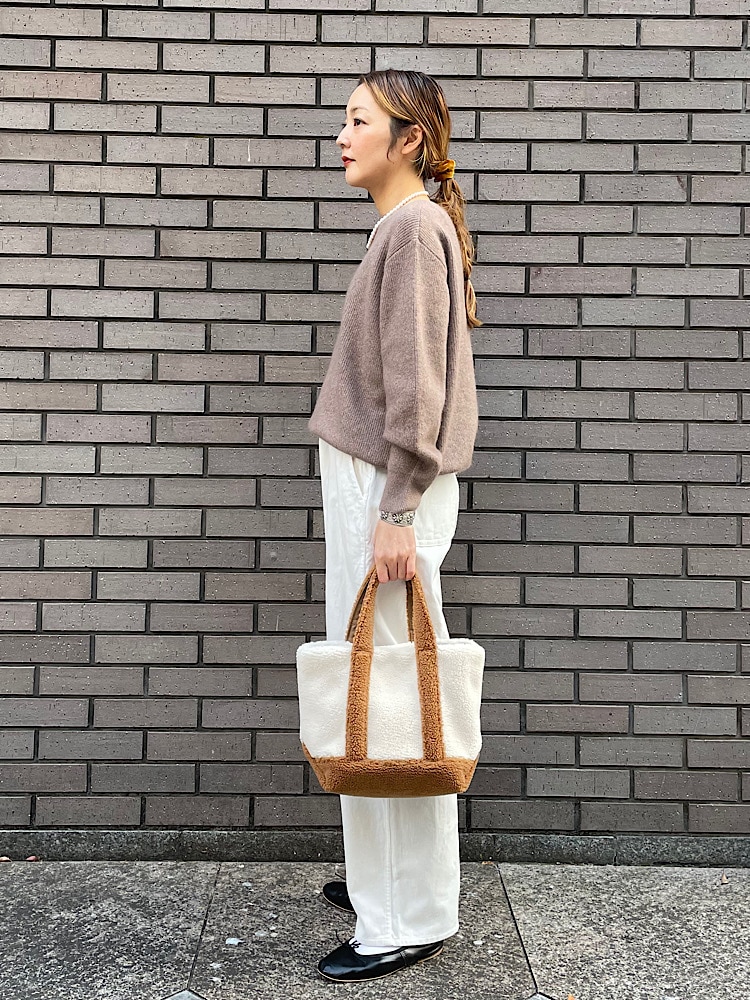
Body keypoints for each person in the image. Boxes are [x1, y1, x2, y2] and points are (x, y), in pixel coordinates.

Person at [306, 67, 481, 984]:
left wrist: (398, 508)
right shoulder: (407, 226)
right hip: (378, 481)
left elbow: (420, 387)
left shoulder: (412, 228)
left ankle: (405, 915)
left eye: (358, 120)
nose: (342, 137)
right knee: (382, 684)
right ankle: (389, 878)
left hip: (385, 486)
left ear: (409, 138)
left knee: (392, 694)